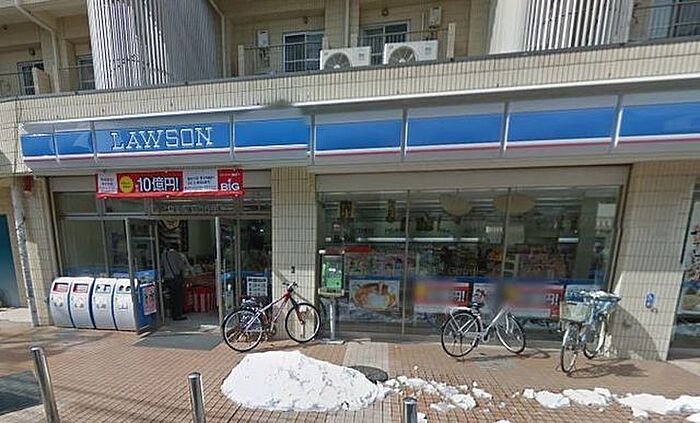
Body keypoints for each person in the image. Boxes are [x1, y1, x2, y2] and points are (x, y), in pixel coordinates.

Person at [162, 245, 191, 321]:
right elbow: (181, 266)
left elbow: (162, 265)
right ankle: (178, 315)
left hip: (167, 278)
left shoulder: (163, 255)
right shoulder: (176, 254)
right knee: (178, 297)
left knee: (172, 297)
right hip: (175, 278)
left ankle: (172, 313)